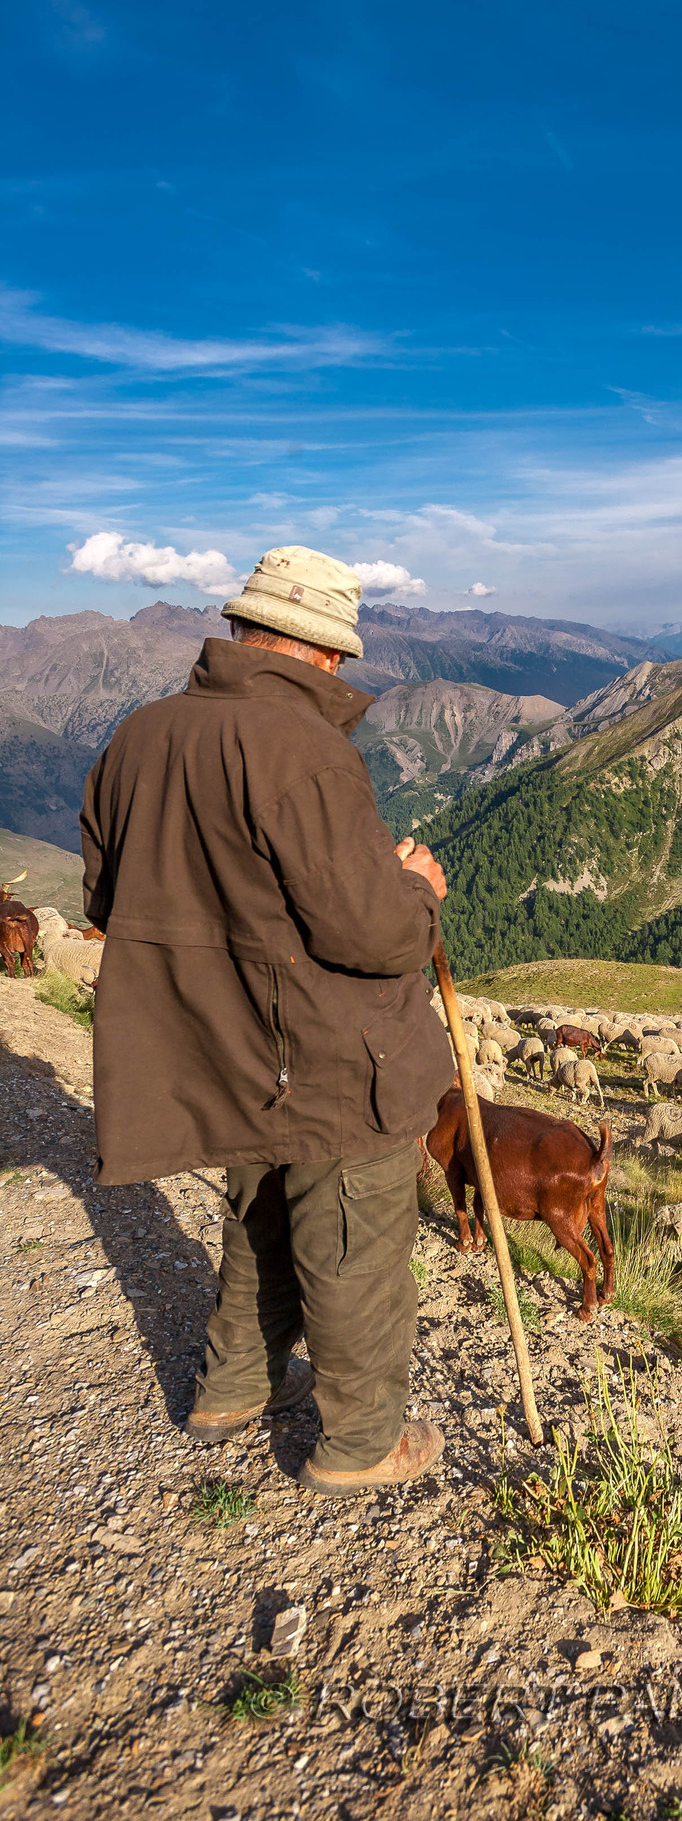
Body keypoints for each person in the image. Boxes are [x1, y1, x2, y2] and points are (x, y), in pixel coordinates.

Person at [80, 545, 457, 1494]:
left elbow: (105, 898)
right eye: (340, 659)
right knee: (351, 1241)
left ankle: (233, 1388)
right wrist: (417, 891)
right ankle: (362, 1440)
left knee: (258, 1221)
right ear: (321, 653)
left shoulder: (140, 734)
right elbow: (375, 934)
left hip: (232, 1050)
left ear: (245, 628)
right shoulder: (301, 749)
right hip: (330, 1057)